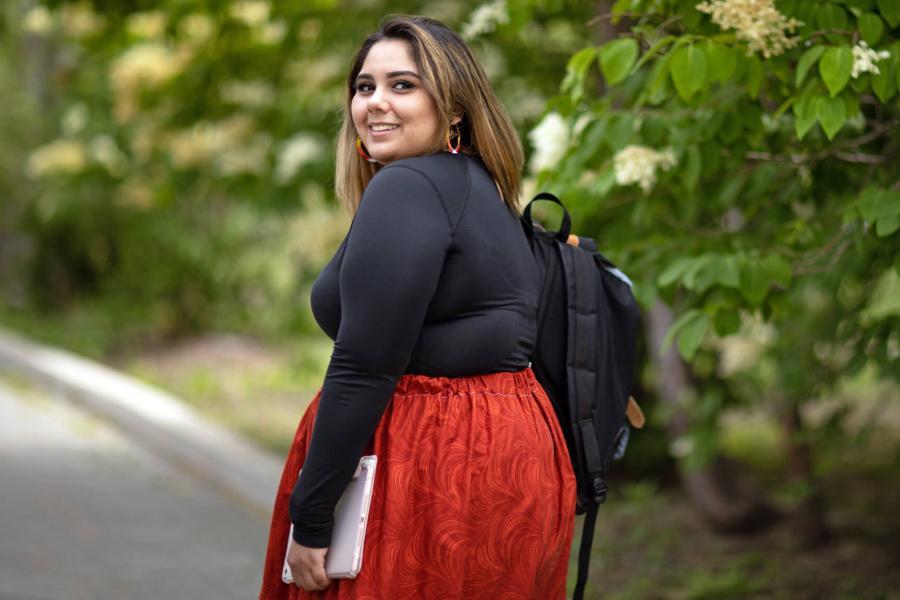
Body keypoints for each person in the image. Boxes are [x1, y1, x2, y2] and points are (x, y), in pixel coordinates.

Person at [259, 15, 575, 600]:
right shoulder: (475, 187)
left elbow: (363, 366)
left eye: (403, 85)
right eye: (364, 86)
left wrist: (313, 515)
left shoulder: (409, 187)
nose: (376, 103)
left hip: (434, 469)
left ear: (454, 108)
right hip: (514, 458)